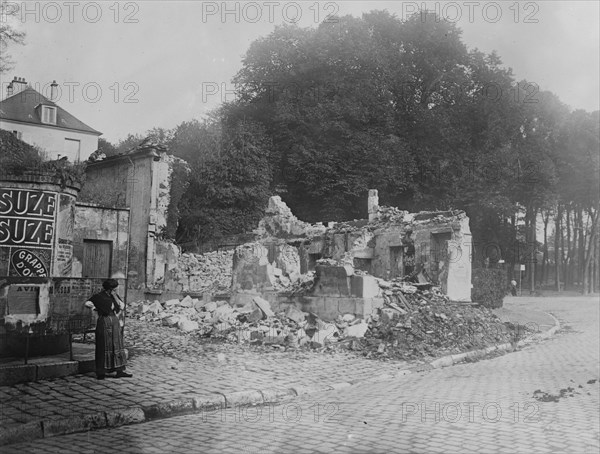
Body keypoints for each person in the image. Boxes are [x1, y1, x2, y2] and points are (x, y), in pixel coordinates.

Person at [85, 279, 132, 380]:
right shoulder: (99, 297)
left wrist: (115, 297)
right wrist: (95, 308)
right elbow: (87, 303)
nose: (115, 291)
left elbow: (122, 306)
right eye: (114, 290)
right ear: (109, 289)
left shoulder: (114, 297)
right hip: (104, 321)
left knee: (117, 345)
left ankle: (119, 370)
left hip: (114, 322)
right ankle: (101, 372)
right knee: (104, 345)